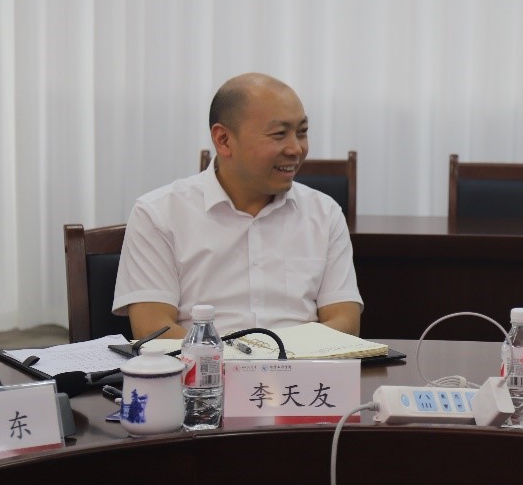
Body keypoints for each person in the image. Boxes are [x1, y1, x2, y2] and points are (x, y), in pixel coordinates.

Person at [112, 73, 363, 340]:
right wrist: (241, 358)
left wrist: (281, 357)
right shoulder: (158, 214)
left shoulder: (324, 213)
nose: (296, 149)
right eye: (279, 134)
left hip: (304, 365)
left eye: (301, 132)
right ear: (223, 140)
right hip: (196, 366)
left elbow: (345, 323)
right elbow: (153, 329)